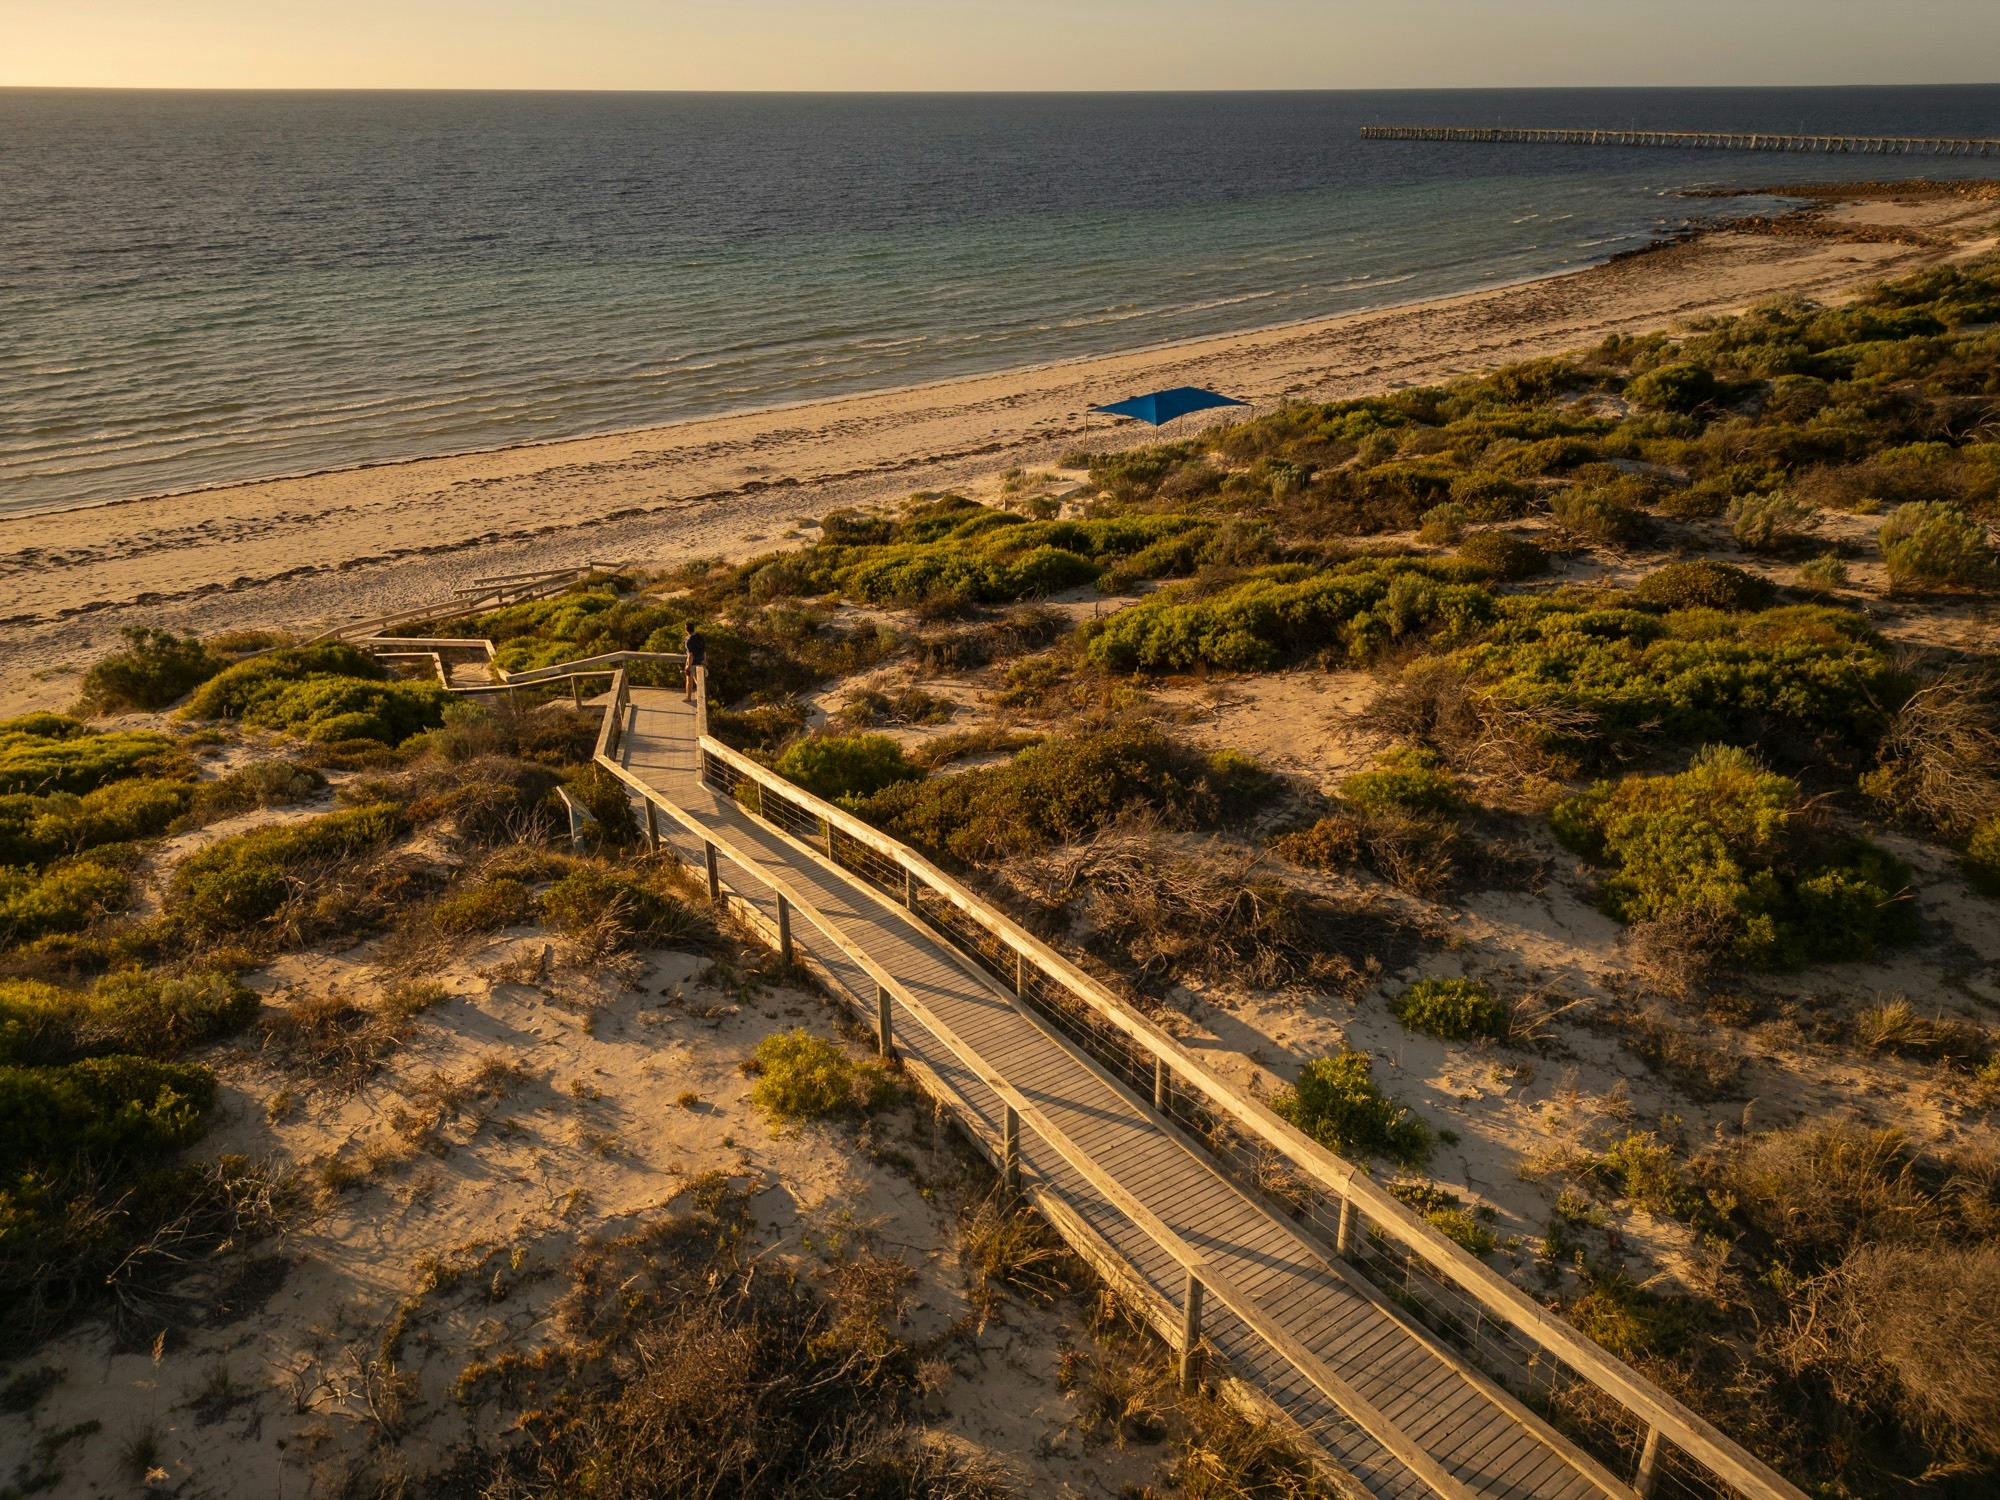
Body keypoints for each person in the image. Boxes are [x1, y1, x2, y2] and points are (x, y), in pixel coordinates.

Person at [682, 621, 706, 703]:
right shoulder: (700, 637)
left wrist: (688, 666)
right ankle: (702, 698)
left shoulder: (688, 640)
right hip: (701, 662)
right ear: (694, 628)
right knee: (699, 682)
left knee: (689, 681)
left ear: (686, 629)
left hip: (693, 663)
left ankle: (688, 698)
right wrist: (704, 661)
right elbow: (704, 651)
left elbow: (690, 655)